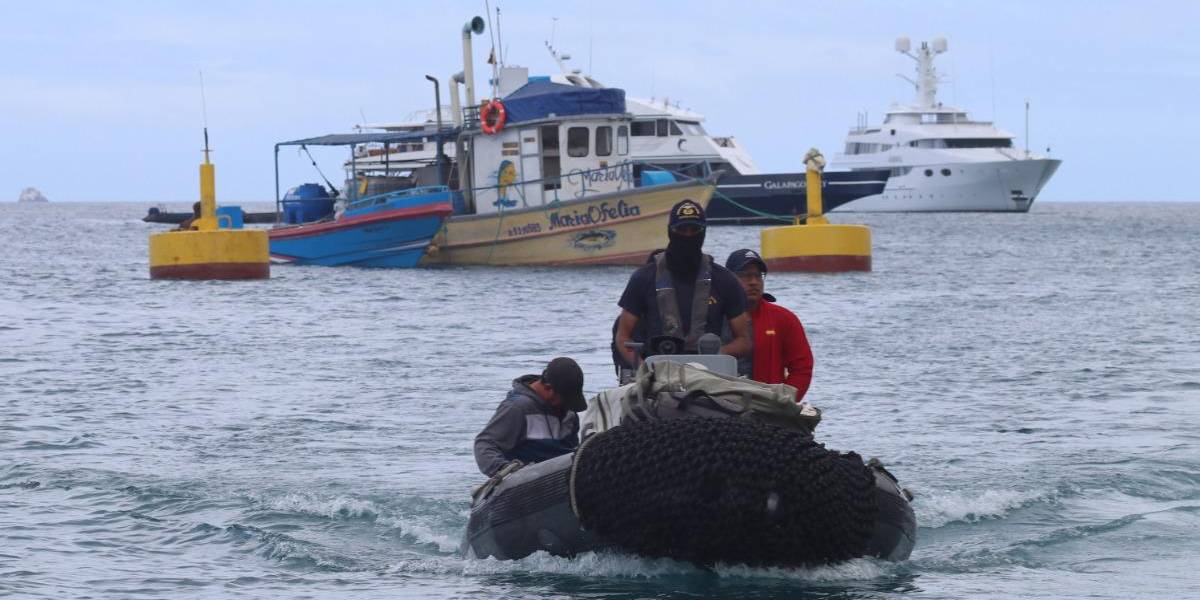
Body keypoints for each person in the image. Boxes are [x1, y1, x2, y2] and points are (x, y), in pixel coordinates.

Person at [614, 200, 751, 368]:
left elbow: (744, 340)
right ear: (670, 232)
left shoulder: (725, 280)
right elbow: (623, 336)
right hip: (657, 373)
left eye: (694, 230)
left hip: (710, 375)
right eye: (682, 229)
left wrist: (716, 355)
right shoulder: (643, 278)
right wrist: (644, 368)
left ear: (703, 233)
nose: (688, 235)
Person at [724, 248, 814, 402]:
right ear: (728, 278)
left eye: (758, 275)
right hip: (719, 406)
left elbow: (802, 367)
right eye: (745, 275)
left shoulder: (784, 319)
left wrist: (785, 401)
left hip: (768, 410)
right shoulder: (714, 315)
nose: (753, 282)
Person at [473, 357, 587, 477]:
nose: (568, 407)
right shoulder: (517, 408)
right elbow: (485, 444)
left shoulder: (570, 414)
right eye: (566, 400)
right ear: (548, 388)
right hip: (526, 485)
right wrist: (503, 469)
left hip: (562, 481)